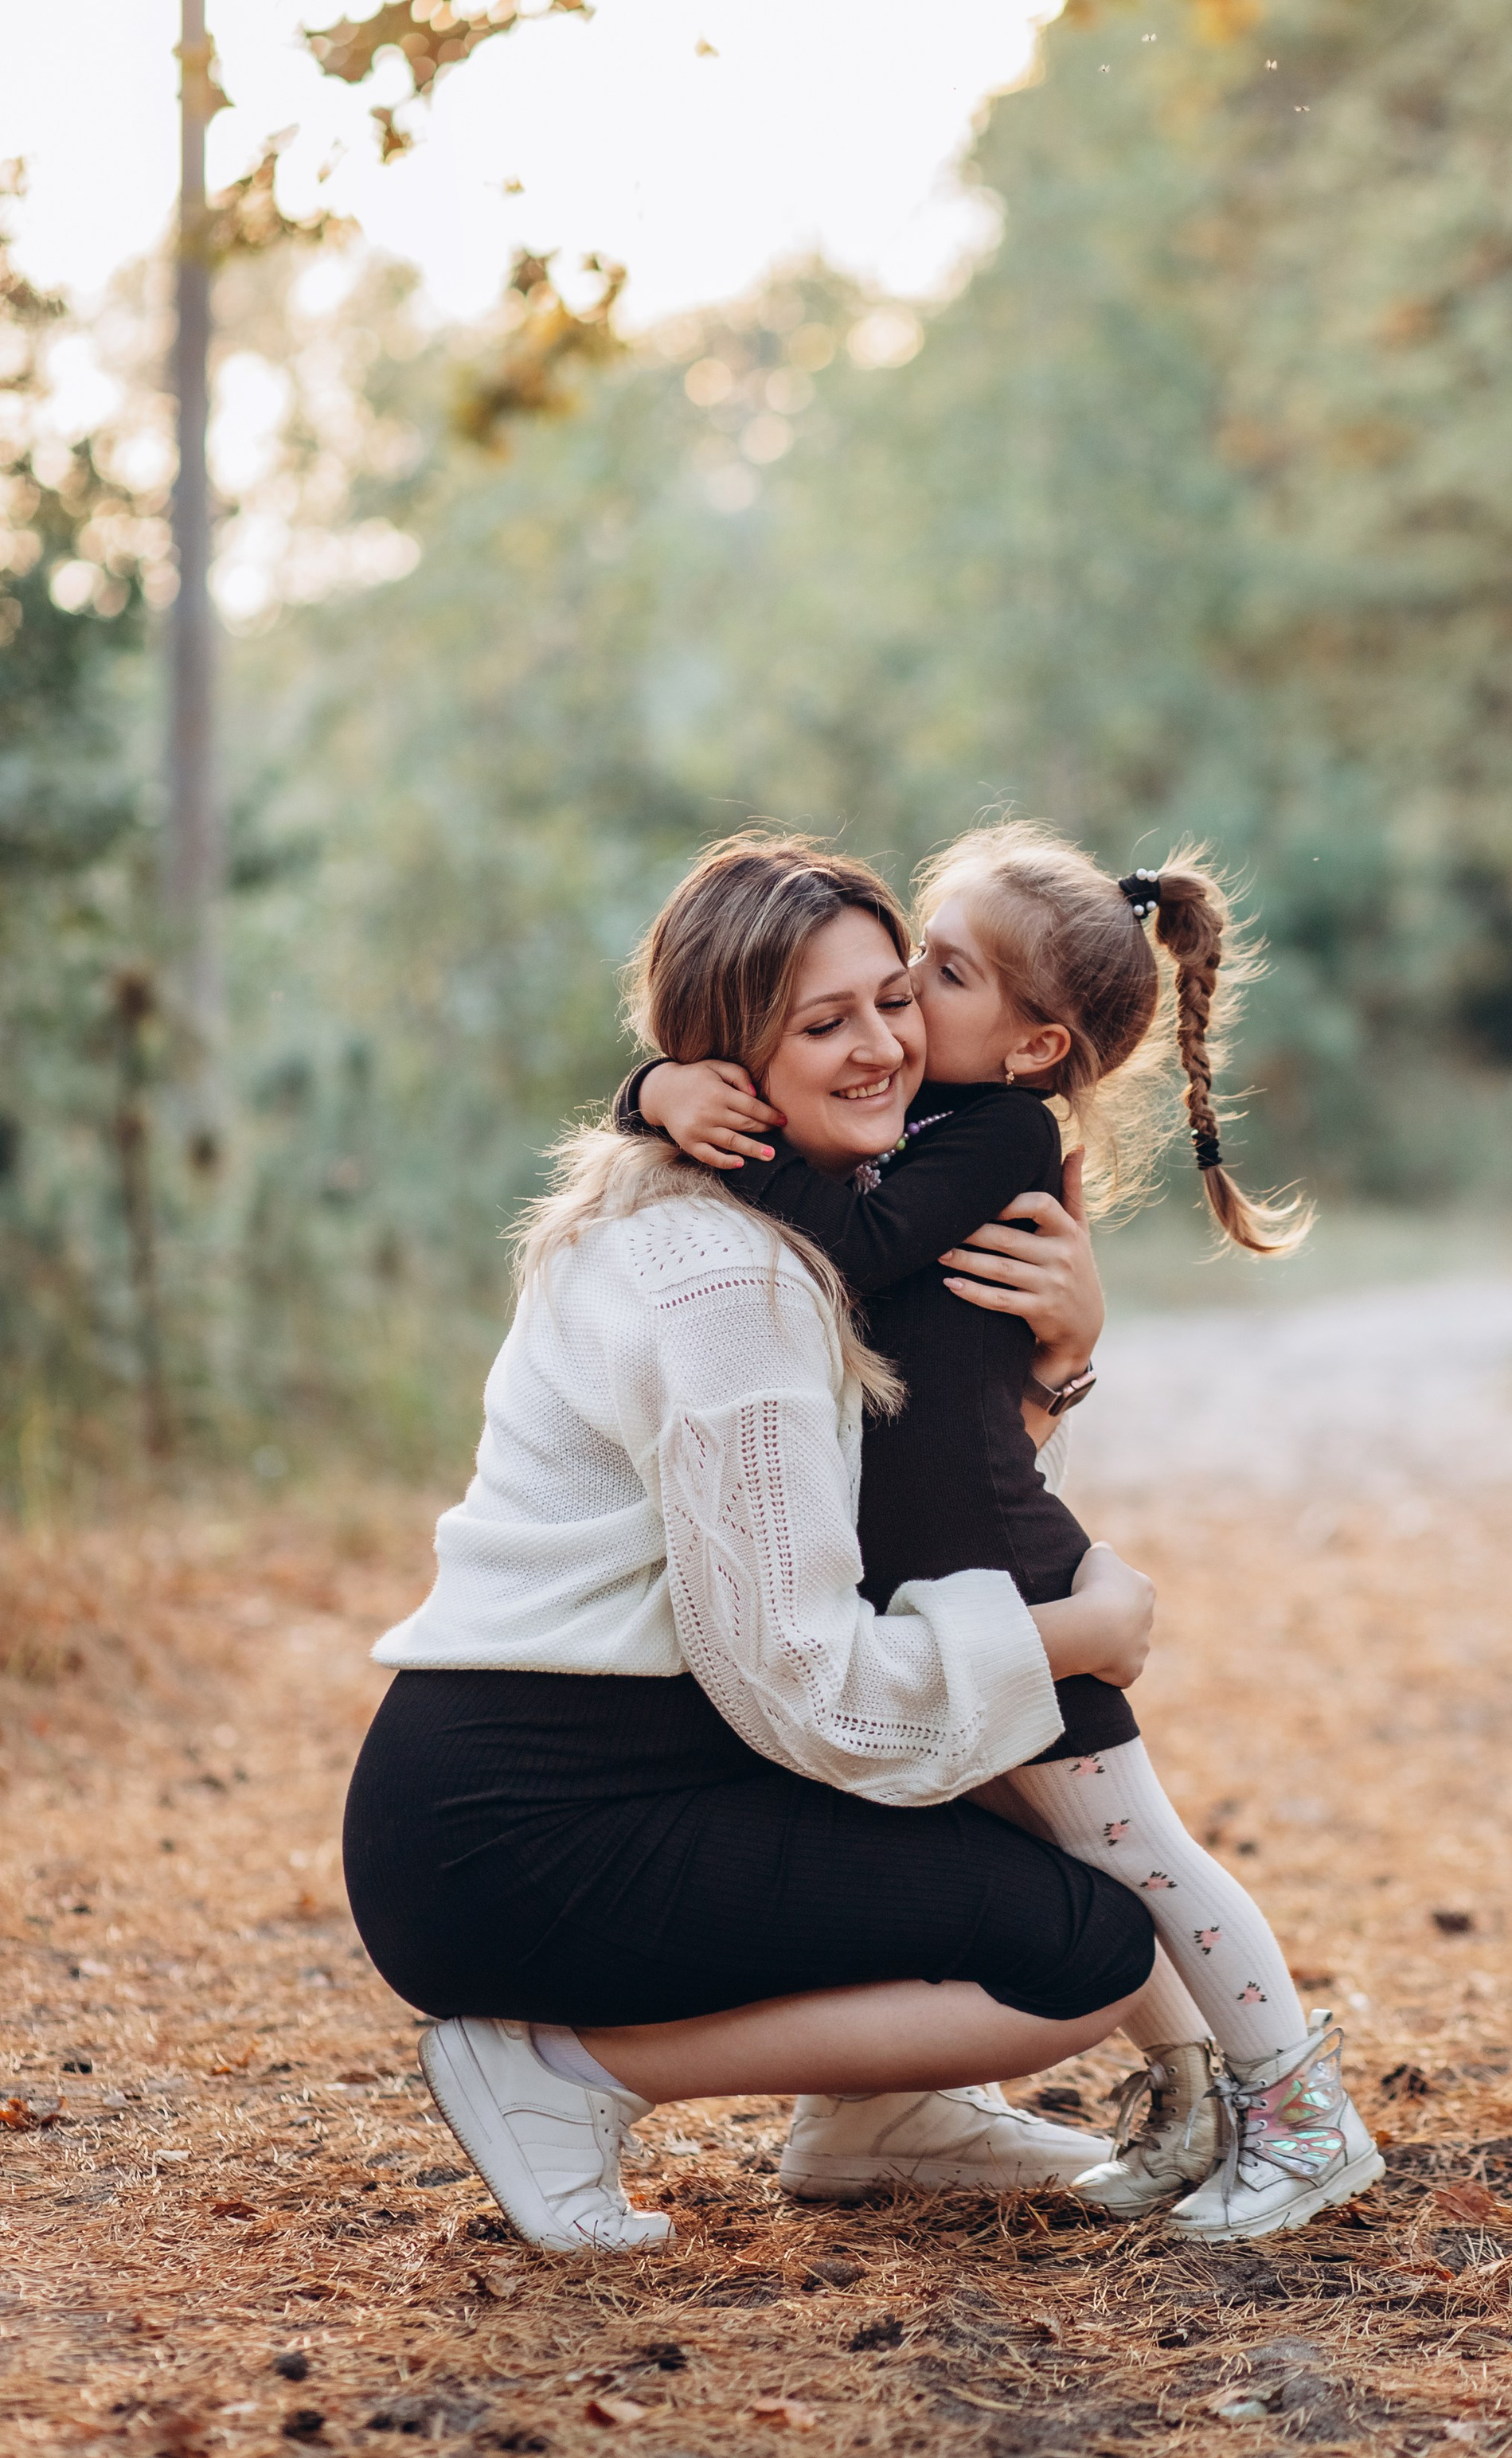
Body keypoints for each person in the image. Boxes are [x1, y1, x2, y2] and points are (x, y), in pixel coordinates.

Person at [342, 839, 1161, 2253]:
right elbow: (809, 1680)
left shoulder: (781, 1224)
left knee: (1000, 1785)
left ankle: (878, 2112)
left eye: (893, 1000)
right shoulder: (737, 1280)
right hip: (524, 1830)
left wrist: (1056, 1368)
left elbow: (915, 1524)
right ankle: (556, 2075)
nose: (883, 1050)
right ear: (728, 1066)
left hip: (594, 1774)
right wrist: (1077, 1637)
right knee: (1084, 1956)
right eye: (820, 1024)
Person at [619, 822, 1384, 2241]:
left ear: (1034, 1047)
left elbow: (841, 1250)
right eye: (917, 945)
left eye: (944, 971)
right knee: (1079, 1854)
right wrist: (658, 1085)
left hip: (998, 1568)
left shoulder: (1000, 1134)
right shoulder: (923, 1116)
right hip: (933, 1580)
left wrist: (699, 1127)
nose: (905, 987)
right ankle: (1192, 2101)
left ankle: (1302, 2117)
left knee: (1145, 1855)